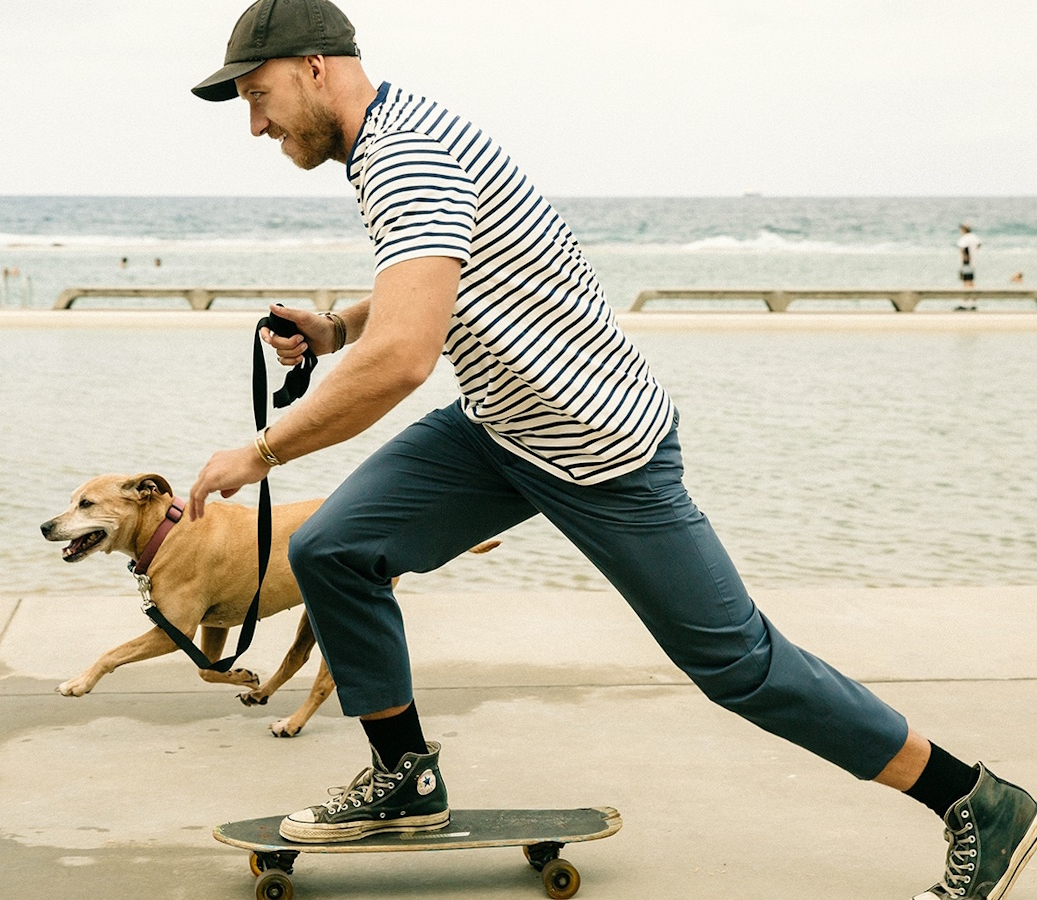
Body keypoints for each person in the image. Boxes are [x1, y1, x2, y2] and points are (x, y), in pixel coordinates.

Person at [187, 3, 1037, 896]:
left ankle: (974, 800)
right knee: (334, 548)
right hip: (503, 428)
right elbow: (435, 280)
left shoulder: (406, 158)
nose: (255, 122)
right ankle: (406, 779)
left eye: (260, 94)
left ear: (315, 66)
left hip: (602, 452)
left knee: (740, 665)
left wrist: (264, 451)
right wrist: (335, 328)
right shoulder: (396, 138)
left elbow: (403, 360)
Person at [956, 223, 983, 309]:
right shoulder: (974, 237)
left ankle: (964, 304)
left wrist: (965, 257)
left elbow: (962, 249)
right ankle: (973, 304)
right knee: (972, 283)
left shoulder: (964, 238)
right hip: (973, 263)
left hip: (966, 263)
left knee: (966, 283)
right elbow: (979, 245)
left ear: (963, 229)